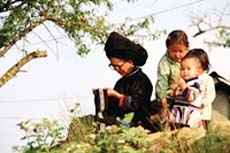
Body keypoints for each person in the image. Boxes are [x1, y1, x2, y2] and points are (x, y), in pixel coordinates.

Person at [93, 32, 155, 132]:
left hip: (138, 122)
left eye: (119, 65)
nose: (117, 69)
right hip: (121, 120)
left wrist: (118, 96)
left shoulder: (142, 80)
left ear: (130, 62)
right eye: (113, 67)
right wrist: (104, 95)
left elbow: (139, 106)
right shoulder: (120, 82)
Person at [169, 48, 216, 129]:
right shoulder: (189, 79)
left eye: (189, 68)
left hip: (202, 111)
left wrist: (203, 103)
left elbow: (211, 95)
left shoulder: (207, 79)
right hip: (188, 111)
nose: (185, 71)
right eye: (183, 69)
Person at [153, 30, 190, 121]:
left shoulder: (191, 58)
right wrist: (164, 107)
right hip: (169, 99)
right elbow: (161, 86)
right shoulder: (164, 63)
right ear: (168, 49)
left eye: (181, 51)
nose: (177, 55)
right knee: (167, 119)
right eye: (173, 51)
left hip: (189, 94)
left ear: (187, 48)